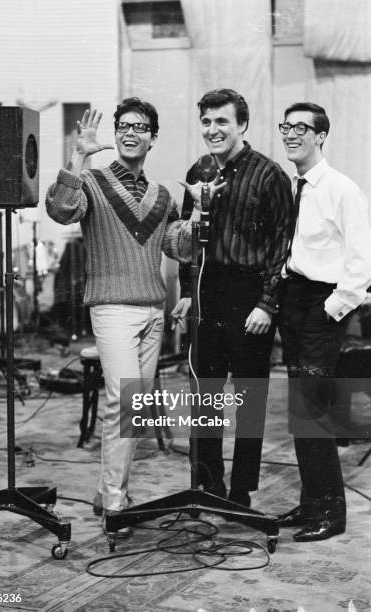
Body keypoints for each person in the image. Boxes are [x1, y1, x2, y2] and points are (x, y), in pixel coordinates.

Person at [46, 98, 197, 534]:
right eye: (124, 126)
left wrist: (199, 212)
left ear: (153, 137)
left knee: (134, 407)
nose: (131, 133)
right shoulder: (91, 181)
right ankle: (115, 505)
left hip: (153, 310)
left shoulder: (163, 194)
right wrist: (77, 155)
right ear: (115, 134)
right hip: (112, 309)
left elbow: (180, 248)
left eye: (141, 127)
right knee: (126, 403)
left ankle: (108, 490)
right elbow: (59, 211)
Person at [172, 88, 294, 507]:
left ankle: (241, 491)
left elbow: (283, 244)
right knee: (204, 393)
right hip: (208, 291)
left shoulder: (270, 174)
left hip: (250, 295)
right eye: (206, 122)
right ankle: (210, 485)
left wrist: (267, 303)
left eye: (221, 121)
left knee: (248, 398)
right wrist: (189, 294)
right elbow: (189, 244)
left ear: (242, 124)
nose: (213, 130)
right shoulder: (199, 170)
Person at [276, 102, 371, 541]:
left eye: (301, 128)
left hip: (320, 307)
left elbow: (361, 264)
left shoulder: (341, 189)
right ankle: (312, 502)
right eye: (286, 126)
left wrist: (330, 310)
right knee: (301, 411)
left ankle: (332, 514)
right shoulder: (296, 187)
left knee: (313, 413)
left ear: (321, 136)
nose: (291, 134)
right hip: (294, 302)